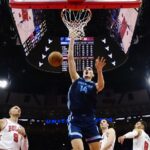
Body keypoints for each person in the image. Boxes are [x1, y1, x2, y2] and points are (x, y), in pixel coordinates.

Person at [67, 34, 106, 150]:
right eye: (85, 70)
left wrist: (99, 71)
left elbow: (101, 86)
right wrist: (72, 40)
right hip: (75, 119)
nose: (87, 70)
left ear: (92, 74)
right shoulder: (76, 79)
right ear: (83, 73)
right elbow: (70, 59)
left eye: (89, 69)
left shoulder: (94, 85)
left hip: (90, 119)